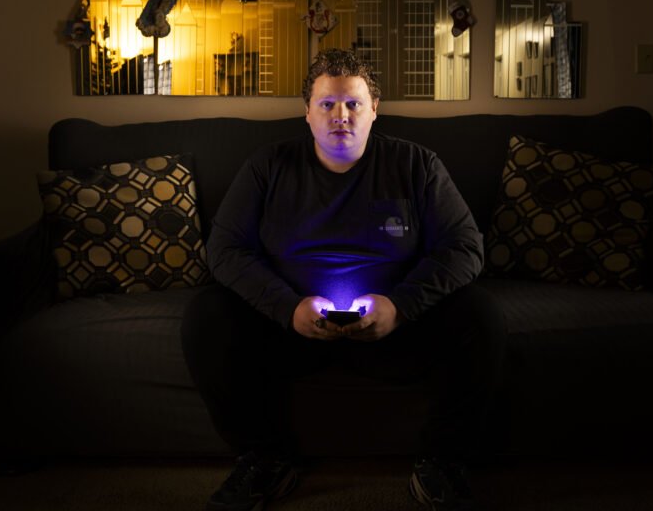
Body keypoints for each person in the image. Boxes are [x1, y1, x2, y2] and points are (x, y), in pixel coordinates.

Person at [182, 48, 504, 511]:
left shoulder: (416, 164)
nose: (341, 115)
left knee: (480, 313)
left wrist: (400, 306)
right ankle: (265, 459)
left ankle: (442, 462)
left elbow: (465, 247)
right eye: (327, 104)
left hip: (395, 331)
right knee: (206, 314)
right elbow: (225, 249)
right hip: (290, 330)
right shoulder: (268, 165)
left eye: (353, 103)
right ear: (307, 112)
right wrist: (286, 307)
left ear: (375, 109)